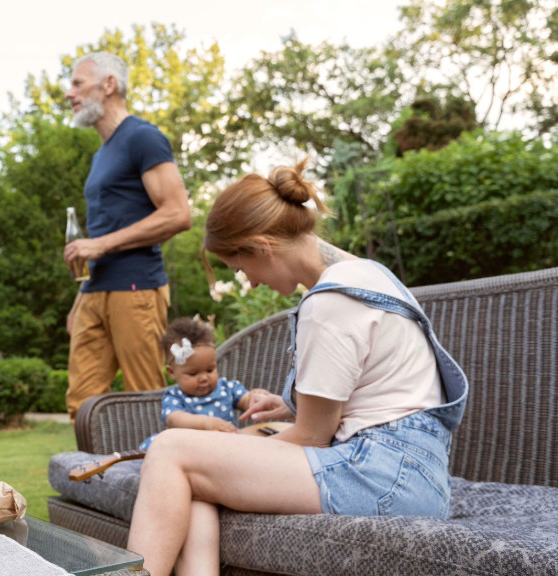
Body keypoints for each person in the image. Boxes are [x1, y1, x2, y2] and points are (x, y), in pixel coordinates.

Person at [124, 159, 469, 576]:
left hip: (385, 475)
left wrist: (235, 445)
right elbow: (380, 386)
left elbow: (313, 437)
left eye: (240, 267)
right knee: (195, 476)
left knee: (170, 449)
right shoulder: (369, 275)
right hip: (413, 471)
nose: (248, 281)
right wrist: (289, 406)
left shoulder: (330, 302)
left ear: (262, 247)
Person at [62, 52, 192, 421]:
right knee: (82, 404)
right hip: (93, 291)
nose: (69, 93)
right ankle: (93, 479)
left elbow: (178, 214)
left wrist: (98, 245)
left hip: (136, 288)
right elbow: (103, 229)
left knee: (145, 398)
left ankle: (157, 476)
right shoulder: (102, 153)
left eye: (77, 83)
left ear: (109, 85)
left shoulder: (143, 137)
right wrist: (79, 300)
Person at [137, 316, 257, 451]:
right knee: (160, 446)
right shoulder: (175, 397)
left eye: (210, 370)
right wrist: (204, 423)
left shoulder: (226, 388)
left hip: (227, 447)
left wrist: (254, 397)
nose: (204, 378)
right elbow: (174, 418)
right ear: (171, 372)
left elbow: (246, 400)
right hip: (191, 451)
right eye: (193, 374)